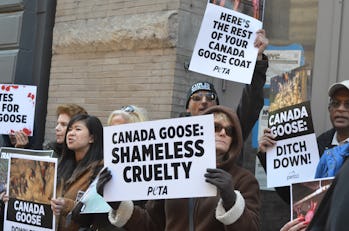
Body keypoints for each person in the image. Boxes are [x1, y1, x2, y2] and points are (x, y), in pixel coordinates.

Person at [97, 105, 261, 230]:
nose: (223, 133)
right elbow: (151, 224)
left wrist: (231, 200)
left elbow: (252, 228)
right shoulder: (172, 171)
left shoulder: (244, 179)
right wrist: (117, 203)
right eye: (215, 127)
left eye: (230, 130)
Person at [185, 29, 269, 143]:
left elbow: (252, 101)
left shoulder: (231, 130)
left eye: (210, 97)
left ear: (217, 106)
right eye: (196, 98)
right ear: (187, 108)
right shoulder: (171, 137)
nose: (204, 101)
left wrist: (257, 58)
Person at [50, 114, 108, 230]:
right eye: (70, 129)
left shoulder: (102, 170)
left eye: (78, 129)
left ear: (92, 138)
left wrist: (68, 205)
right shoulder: (61, 165)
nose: (70, 133)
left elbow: (99, 210)